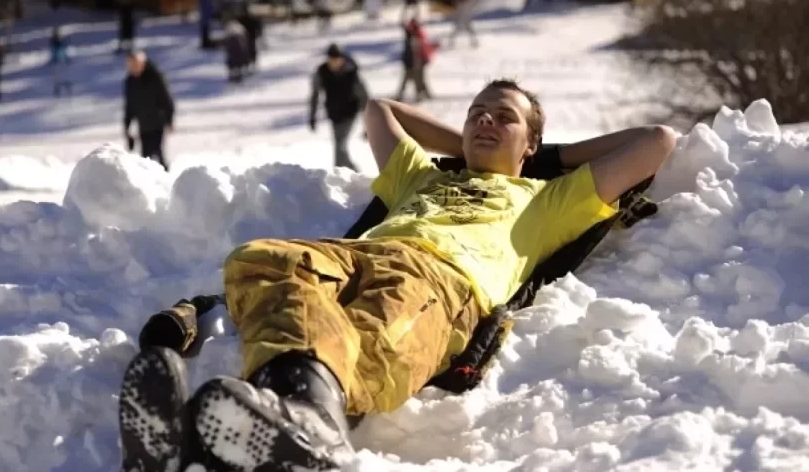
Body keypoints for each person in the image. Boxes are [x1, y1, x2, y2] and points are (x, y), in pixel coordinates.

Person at [117, 78, 676, 471]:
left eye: (504, 117)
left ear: (530, 144)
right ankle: (247, 435)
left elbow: (656, 142)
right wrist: (470, 143)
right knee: (263, 259)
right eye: (476, 112)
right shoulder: (420, 177)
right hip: (355, 256)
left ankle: (300, 422)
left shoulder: (548, 199)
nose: (485, 119)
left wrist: (546, 158)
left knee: (375, 331)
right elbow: (380, 109)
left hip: (441, 281)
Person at [309, 43, 369, 172]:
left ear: (342, 59)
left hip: (349, 112)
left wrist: (368, 124)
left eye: (337, 59)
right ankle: (353, 172)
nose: (334, 62)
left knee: (339, 145)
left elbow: (364, 97)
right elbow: (315, 94)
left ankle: (338, 173)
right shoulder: (322, 72)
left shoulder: (351, 73)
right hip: (334, 113)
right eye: (331, 59)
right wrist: (312, 116)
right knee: (339, 144)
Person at [123, 51, 175, 171]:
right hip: (143, 125)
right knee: (145, 158)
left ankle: (166, 180)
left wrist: (169, 120)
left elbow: (166, 99)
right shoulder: (130, 82)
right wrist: (127, 127)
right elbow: (129, 106)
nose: (132, 68)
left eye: (135, 64)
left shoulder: (155, 76)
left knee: (158, 153)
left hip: (158, 122)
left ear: (142, 63)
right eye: (130, 65)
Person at [395, 17, 436, 102]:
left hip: (415, 63)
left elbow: (417, 51)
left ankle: (420, 94)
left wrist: (416, 63)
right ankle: (423, 94)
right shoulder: (415, 34)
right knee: (416, 79)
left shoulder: (414, 36)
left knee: (416, 79)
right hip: (414, 62)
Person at [49, 26, 73, 96]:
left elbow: (63, 50)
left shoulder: (60, 40)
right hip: (57, 59)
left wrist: (66, 58)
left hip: (61, 59)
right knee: (57, 74)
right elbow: (53, 50)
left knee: (63, 73)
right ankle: (58, 87)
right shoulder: (54, 40)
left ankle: (65, 85)